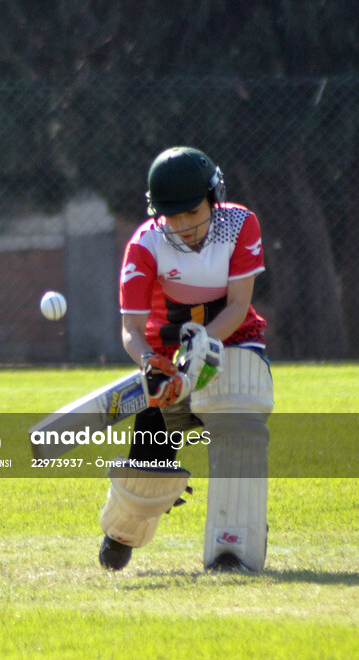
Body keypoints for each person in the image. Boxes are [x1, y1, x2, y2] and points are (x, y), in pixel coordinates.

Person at [98, 146, 274, 573]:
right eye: (171, 216)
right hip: (167, 359)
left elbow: (238, 306)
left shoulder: (239, 225)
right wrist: (149, 363)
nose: (183, 226)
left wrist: (203, 346)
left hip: (233, 342)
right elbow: (131, 329)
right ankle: (123, 529)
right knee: (149, 467)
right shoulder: (145, 244)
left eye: (192, 212)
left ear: (214, 198)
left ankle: (233, 546)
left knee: (239, 412)